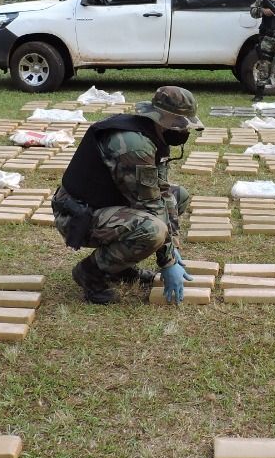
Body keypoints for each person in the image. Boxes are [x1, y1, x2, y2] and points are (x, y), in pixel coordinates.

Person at [52, 86, 201, 304]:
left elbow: (164, 193)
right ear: (163, 120)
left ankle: (118, 267)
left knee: (181, 196)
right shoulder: (134, 146)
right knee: (152, 230)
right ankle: (90, 272)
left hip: (108, 205)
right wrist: (167, 262)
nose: (183, 132)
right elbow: (150, 205)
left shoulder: (152, 134)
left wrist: (174, 247)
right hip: (78, 215)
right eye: (180, 126)